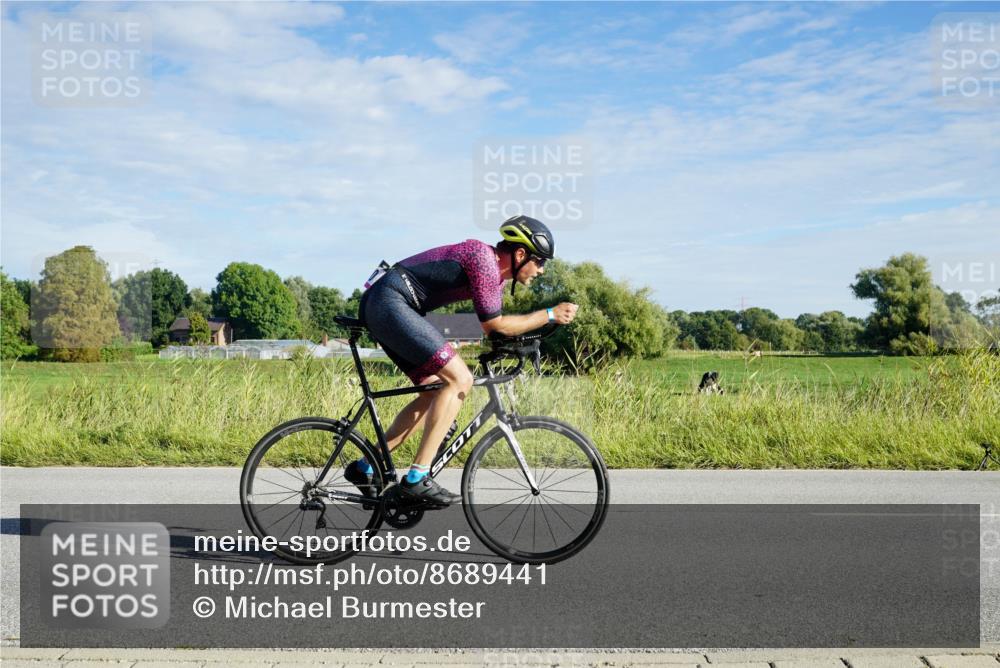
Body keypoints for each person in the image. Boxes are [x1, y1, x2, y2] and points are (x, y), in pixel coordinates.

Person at [345, 215, 578, 505]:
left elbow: (492, 330)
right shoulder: (483, 261)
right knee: (460, 379)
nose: (541, 271)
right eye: (540, 262)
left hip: (393, 306)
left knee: (433, 393)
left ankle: (365, 468)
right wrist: (550, 314)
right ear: (520, 254)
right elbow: (496, 325)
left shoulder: (495, 278)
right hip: (390, 302)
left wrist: (523, 344)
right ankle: (417, 478)